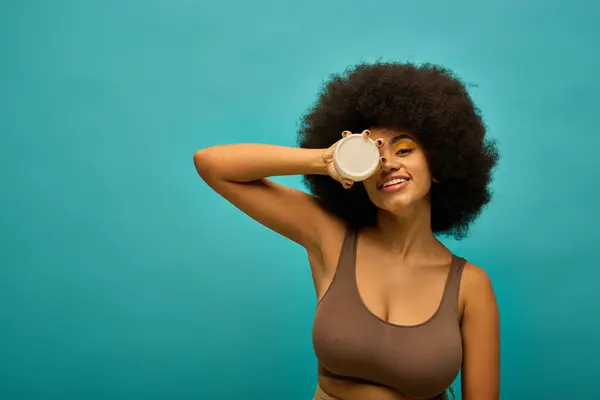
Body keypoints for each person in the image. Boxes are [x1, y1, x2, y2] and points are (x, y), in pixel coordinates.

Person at [194, 61, 500, 400]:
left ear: (439, 165)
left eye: (403, 149)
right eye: (373, 155)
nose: (388, 163)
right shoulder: (331, 236)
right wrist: (327, 160)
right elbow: (212, 164)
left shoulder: (471, 285)